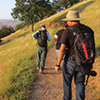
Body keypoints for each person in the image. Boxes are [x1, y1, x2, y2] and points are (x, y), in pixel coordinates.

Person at [55, 10, 95, 100]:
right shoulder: (88, 30)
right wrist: (90, 63)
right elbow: (92, 48)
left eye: (68, 20)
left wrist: (57, 64)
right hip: (83, 62)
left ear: (71, 21)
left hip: (70, 61)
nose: (67, 22)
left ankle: (67, 98)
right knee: (80, 83)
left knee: (67, 83)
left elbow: (61, 49)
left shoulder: (68, 31)